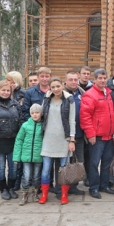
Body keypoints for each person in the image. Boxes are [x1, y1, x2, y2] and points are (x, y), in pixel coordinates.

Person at [38, 77, 76, 205]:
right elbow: (41, 115)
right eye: (53, 87)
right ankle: (44, 194)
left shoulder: (70, 100)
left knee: (64, 170)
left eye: (58, 86)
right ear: (50, 88)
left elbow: (72, 121)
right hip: (48, 139)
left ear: (62, 86)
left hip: (63, 139)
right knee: (46, 169)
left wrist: (72, 140)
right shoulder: (47, 100)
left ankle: (64, 195)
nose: (55, 89)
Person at [80, 68, 114, 199]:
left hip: (109, 136)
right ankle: (94, 187)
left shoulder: (108, 93)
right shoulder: (90, 95)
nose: (102, 80)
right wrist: (90, 134)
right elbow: (85, 117)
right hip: (97, 137)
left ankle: (104, 185)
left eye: (104, 78)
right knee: (94, 163)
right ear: (94, 80)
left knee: (107, 163)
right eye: (100, 78)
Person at [13, 104, 43, 205]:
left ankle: (35, 193)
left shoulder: (43, 125)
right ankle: (25, 195)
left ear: (41, 113)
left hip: (38, 156)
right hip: (26, 157)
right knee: (26, 176)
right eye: (32, 113)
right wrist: (16, 157)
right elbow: (19, 140)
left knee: (36, 177)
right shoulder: (25, 125)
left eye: (37, 112)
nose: (35, 115)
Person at [64, 71, 86, 195]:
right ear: (65, 80)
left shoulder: (82, 93)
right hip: (65, 135)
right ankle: (62, 186)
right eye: (71, 79)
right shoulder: (61, 94)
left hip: (80, 133)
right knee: (65, 162)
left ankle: (74, 186)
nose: (73, 82)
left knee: (78, 161)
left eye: (75, 79)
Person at [6, 70, 26, 192]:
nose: (6, 82)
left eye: (9, 80)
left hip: (20, 128)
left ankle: (18, 182)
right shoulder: (6, 92)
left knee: (19, 158)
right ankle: (12, 182)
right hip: (8, 130)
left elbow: (21, 110)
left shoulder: (23, 93)